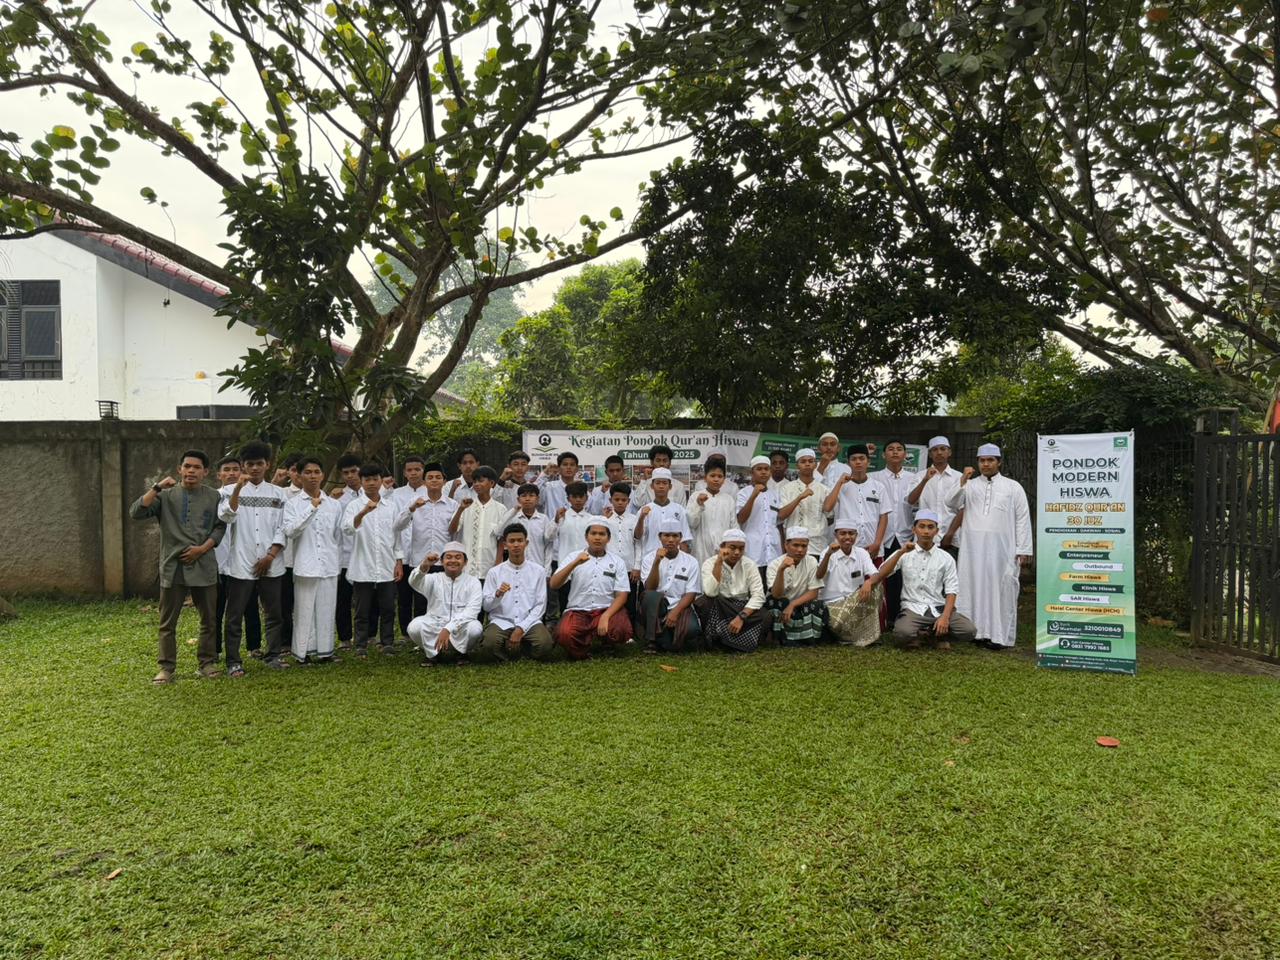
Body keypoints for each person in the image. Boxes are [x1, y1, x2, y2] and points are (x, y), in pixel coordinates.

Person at [129, 450, 225, 683]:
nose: (191, 471)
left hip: (204, 565)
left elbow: (221, 526)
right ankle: (166, 668)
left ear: (205, 472)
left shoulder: (214, 497)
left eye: (196, 467)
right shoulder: (165, 496)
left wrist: (201, 549)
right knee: (167, 621)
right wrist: (156, 487)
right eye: (187, 466)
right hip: (174, 566)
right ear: (180, 470)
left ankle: (207, 663)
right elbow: (136, 512)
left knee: (209, 619)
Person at [946, 444, 1033, 649]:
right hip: (972, 549)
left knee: (1002, 588)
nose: (985, 464)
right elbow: (950, 503)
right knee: (973, 586)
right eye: (982, 460)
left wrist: (1024, 548)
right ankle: (975, 632)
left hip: (1003, 549)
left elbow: (1022, 518)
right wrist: (962, 481)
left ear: (999, 462)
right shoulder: (970, 485)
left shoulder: (1013, 487)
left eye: (990, 460)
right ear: (978, 462)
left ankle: (998, 635)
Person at [218, 441, 289, 675]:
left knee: (274, 612)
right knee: (235, 614)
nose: (255, 468)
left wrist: (270, 555)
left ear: (268, 465)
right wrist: (238, 488)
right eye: (250, 464)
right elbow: (228, 516)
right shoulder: (227, 492)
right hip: (241, 561)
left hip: (272, 562)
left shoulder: (279, 494)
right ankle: (233, 661)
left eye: (260, 464)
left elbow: (284, 527)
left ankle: (273, 655)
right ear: (243, 466)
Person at [872, 510, 977, 650]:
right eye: (922, 526)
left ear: (936, 531)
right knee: (902, 633)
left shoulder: (945, 558)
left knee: (969, 630)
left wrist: (945, 617)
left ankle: (933, 635)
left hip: (938, 608)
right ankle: (925, 635)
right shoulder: (905, 553)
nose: (926, 531)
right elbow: (882, 573)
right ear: (914, 529)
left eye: (930, 527)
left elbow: (952, 590)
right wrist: (901, 553)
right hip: (913, 608)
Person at [342, 463, 411, 657]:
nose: (371, 483)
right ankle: (361, 645)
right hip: (363, 564)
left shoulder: (391, 506)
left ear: (381, 481)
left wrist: (399, 561)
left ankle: (387, 642)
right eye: (367, 480)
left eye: (375, 479)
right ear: (361, 482)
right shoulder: (354, 505)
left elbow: (397, 535)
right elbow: (347, 529)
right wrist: (363, 512)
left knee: (388, 606)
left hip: (387, 563)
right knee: (362, 609)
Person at [282, 455, 344, 664]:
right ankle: (303, 653)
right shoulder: (292, 504)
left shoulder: (334, 505)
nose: (313, 476)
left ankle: (326, 651)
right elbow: (291, 531)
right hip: (305, 564)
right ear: (299, 476)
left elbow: (337, 536)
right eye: (307, 472)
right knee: (304, 610)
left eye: (316, 472)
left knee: (327, 609)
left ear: (323, 475)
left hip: (328, 564)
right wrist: (312, 508)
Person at [475, 523, 561, 663]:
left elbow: (540, 606)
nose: (516, 545)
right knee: (488, 646)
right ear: (505, 544)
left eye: (519, 541)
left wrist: (521, 629)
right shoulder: (494, 572)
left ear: (526, 543)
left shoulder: (538, 571)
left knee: (545, 646)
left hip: (529, 621)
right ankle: (510, 653)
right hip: (501, 621)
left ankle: (518, 648)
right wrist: (497, 596)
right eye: (512, 541)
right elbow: (486, 606)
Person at [550, 520, 634, 658]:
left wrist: (606, 616)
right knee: (564, 634)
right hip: (578, 610)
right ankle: (582, 651)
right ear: (586, 537)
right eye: (593, 533)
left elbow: (622, 594)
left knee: (621, 629)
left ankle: (607, 645)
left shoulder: (617, 561)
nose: (597, 537)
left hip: (606, 609)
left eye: (602, 534)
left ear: (608, 538)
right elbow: (554, 584)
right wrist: (575, 563)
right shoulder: (573, 557)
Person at [397, 459, 456, 632]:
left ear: (444, 481)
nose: (434, 480)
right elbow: (398, 526)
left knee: (442, 601)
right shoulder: (416, 502)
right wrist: (412, 509)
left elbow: (455, 532)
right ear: (425, 481)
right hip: (420, 560)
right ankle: (418, 634)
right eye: (430, 477)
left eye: (438, 477)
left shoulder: (453, 505)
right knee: (420, 601)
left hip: (444, 562)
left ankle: (442, 632)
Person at [213, 455, 261, 659]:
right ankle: (214, 650)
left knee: (250, 606)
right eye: (227, 469)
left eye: (235, 469)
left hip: (244, 560)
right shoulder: (212, 497)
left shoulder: (250, 496)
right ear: (219, 475)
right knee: (216, 609)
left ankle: (254, 646)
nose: (232, 473)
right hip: (218, 561)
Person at [694, 529, 772, 652]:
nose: (737, 552)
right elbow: (710, 592)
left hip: (741, 607)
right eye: (732, 547)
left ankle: (725, 641)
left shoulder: (749, 565)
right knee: (704, 602)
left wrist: (741, 617)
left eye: (741, 548)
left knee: (765, 616)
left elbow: (758, 596)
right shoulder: (709, 563)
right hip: (719, 605)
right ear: (722, 547)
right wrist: (719, 562)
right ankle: (721, 640)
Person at [406, 541, 483, 664]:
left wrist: (448, 628)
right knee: (414, 627)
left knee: (475, 629)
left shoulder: (473, 582)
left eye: (458, 557)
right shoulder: (433, 578)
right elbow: (414, 582)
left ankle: (462, 653)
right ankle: (432, 654)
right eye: (448, 557)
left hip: (461, 626)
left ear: (465, 562)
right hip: (435, 625)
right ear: (442, 561)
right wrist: (424, 565)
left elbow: (472, 611)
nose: (453, 561)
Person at [871, 439, 918, 621]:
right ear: (884, 455)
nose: (895, 452)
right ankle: (885, 617)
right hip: (884, 535)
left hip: (906, 535)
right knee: (884, 577)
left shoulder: (914, 478)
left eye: (899, 449)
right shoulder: (874, 478)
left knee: (904, 578)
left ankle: (903, 616)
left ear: (905, 454)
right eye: (890, 449)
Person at [640, 518, 702, 652]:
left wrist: (675, 612)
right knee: (650, 596)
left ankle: (665, 639)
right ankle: (651, 640)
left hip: (680, 606)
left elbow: (691, 593)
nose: (670, 540)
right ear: (660, 537)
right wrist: (656, 562)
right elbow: (649, 588)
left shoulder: (691, 561)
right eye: (666, 535)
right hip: (657, 606)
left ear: (680, 538)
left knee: (691, 629)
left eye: (675, 536)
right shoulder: (649, 558)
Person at [817, 517, 881, 647]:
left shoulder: (861, 553)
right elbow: (819, 576)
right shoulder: (827, 552)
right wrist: (828, 555)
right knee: (838, 622)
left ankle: (861, 636)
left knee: (876, 587)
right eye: (843, 533)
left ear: (856, 535)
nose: (847, 537)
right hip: (832, 604)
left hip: (854, 601)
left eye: (851, 533)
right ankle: (850, 636)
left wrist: (868, 583)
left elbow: (875, 574)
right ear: (836, 535)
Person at [823, 444, 890, 560]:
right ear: (848, 463)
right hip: (846, 548)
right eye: (853, 459)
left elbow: (883, 517)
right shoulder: (841, 486)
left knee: (874, 577)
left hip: (873, 548)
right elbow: (827, 507)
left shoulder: (879, 487)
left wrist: (877, 543)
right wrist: (839, 483)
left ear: (868, 461)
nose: (858, 462)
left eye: (862, 458)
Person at [764, 527, 827, 645]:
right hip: (780, 604)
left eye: (804, 546)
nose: (800, 550)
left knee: (818, 605)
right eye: (796, 545)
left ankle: (806, 638)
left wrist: (793, 604)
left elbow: (814, 592)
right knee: (776, 603)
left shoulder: (811, 561)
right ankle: (779, 637)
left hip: (801, 604)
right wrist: (781, 570)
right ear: (786, 545)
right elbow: (776, 594)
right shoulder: (775, 564)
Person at [906, 435, 964, 558]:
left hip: (951, 539)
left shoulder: (958, 477)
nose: (939, 452)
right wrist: (925, 480)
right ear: (930, 454)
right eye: (935, 449)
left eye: (943, 449)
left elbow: (963, 508)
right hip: (924, 538)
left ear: (949, 452)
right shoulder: (919, 476)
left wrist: (950, 534)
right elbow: (911, 500)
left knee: (949, 575)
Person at [450, 465, 507, 581]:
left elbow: (501, 540)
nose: (476, 484)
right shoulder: (465, 506)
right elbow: (452, 530)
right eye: (475, 481)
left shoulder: (500, 509)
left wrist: (497, 564)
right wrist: (460, 509)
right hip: (467, 569)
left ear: (491, 483)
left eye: (481, 481)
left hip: (489, 567)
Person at [331, 452, 363, 649]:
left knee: (367, 599)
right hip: (343, 556)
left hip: (366, 554)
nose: (350, 476)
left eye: (354, 471)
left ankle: (367, 636)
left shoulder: (376, 494)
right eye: (346, 473)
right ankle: (344, 638)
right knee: (342, 599)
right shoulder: (337, 499)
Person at [776, 448, 831, 556]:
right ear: (797, 465)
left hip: (817, 545)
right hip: (794, 544)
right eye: (803, 461)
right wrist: (799, 498)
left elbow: (829, 516)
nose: (807, 464)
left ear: (815, 465)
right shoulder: (786, 488)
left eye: (811, 461)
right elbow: (781, 515)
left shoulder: (824, 489)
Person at [736, 455, 782, 578]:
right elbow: (741, 519)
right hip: (753, 549)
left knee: (772, 587)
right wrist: (753, 495)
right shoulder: (743, 493)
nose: (763, 472)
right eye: (759, 469)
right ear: (752, 472)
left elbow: (778, 522)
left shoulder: (775, 494)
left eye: (766, 469)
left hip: (773, 549)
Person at [600, 482, 641, 618]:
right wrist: (603, 520)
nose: (620, 503)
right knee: (609, 597)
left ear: (628, 501)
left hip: (629, 567)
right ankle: (610, 626)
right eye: (616, 500)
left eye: (623, 500)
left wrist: (637, 566)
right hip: (608, 566)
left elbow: (638, 544)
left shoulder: (634, 519)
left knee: (630, 599)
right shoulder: (605, 519)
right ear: (610, 500)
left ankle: (630, 630)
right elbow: (599, 541)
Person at [687, 460, 738, 563]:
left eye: (720, 476)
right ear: (705, 478)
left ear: (724, 479)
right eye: (712, 475)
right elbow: (691, 523)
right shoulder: (695, 496)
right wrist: (699, 505)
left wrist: (732, 546)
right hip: (701, 548)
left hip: (724, 548)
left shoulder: (728, 499)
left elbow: (734, 526)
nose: (716, 479)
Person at [497, 482, 557, 570]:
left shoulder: (543, 519)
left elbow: (548, 546)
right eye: (524, 496)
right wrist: (513, 511)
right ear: (518, 499)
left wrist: (547, 570)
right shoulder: (512, 518)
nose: (527, 499)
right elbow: (499, 532)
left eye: (531, 496)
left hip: (538, 566)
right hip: (515, 567)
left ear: (537, 499)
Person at [633, 467, 691, 557]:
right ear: (652, 486)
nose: (661, 486)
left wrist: (685, 560)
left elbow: (684, 539)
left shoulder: (679, 510)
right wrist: (641, 517)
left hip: (674, 559)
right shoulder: (644, 510)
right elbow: (638, 537)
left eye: (664, 483)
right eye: (658, 483)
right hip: (650, 558)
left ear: (670, 486)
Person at [539, 451, 580, 518]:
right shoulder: (549, 487)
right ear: (558, 468)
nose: (568, 467)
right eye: (565, 464)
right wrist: (545, 472)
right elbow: (538, 498)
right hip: (554, 527)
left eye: (572, 465)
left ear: (576, 469)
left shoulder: (581, 489)